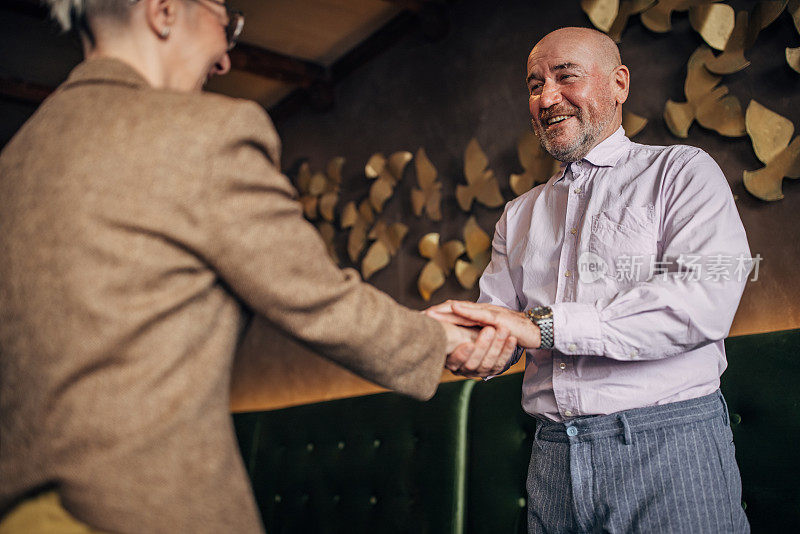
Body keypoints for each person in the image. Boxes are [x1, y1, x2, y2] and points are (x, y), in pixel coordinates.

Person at [0, 1, 517, 533]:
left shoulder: (16, 158)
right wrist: (444, 342)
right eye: (226, 23)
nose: (225, 59)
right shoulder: (204, 133)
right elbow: (316, 299)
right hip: (138, 507)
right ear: (164, 12)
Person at [429, 27, 752, 533]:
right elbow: (503, 332)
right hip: (552, 458)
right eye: (534, 84)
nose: (546, 97)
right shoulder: (517, 216)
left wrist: (542, 326)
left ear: (619, 83)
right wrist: (454, 340)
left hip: (668, 446)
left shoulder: (682, 172)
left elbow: (701, 301)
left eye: (565, 76)